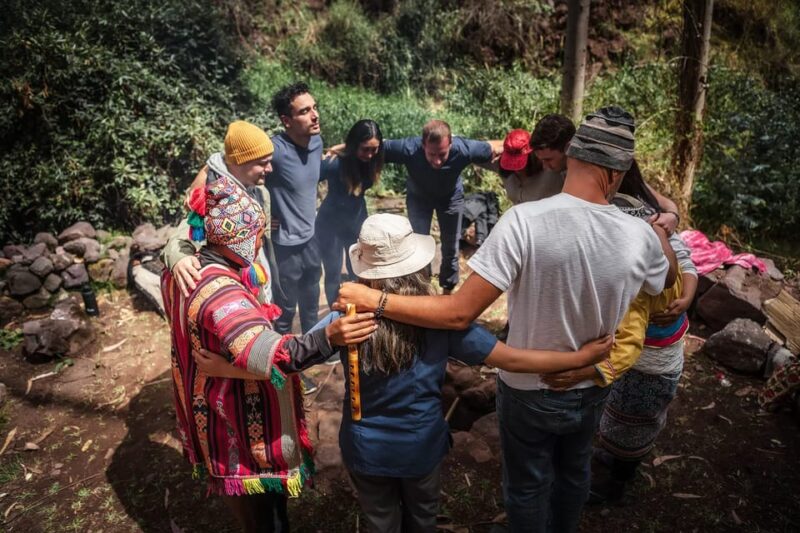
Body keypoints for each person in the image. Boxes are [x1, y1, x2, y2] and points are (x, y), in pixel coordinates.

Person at [335, 106, 678, 533]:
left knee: (528, 484)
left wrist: (375, 298)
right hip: (591, 381)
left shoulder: (525, 221)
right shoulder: (639, 235)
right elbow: (667, 285)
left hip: (527, 389)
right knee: (574, 472)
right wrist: (661, 229)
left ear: (571, 155)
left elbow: (459, 312)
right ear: (619, 171)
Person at [196, 213, 613, 533]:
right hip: (420, 447)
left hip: (365, 449)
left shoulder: (344, 319)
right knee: (423, 515)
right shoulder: (444, 322)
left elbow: (290, 357)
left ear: (363, 269)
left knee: (380, 520)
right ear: (417, 266)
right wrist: (579, 358)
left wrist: (223, 367)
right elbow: (513, 359)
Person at [160, 121, 368, 533]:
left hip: (213, 401)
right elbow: (276, 356)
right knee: (263, 510)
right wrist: (329, 336)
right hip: (236, 416)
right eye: (256, 237)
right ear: (239, 240)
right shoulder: (223, 295)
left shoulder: (197, 270)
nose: (260, 245)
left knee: (258, 506)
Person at [171, 82, 324, 335]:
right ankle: (279, 349)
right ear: (286, 120)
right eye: (305, 111)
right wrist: (197, 192)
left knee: (310, 298)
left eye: (314, 107)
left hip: (308, 239)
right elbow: (228, 159)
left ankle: (309, 344)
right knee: (283, 307)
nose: (314, 115)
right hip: (280, 249)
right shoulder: (272, 152)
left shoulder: (315, 143)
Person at [381, 120, 502, 293]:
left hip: (450, 198)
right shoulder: (408, 148)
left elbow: (494, 147)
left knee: (451, 246)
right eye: (431, 154)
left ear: (451, 144)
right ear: (423, 145)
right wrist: (344, 150)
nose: (437, 161)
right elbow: (373, 146)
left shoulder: (463, 149)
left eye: (442, 154)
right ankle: (424, 290)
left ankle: (447, 291)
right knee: (419, 245)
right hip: (419, 199)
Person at [531, 113, 682, 235]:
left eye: (548, 160)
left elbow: (658, 200)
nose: (545, 167)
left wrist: (672, 216)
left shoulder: (609, 168)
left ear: (568, 148)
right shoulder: (560, 176)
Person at [317, 119, 383, 308]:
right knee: (333, 272)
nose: (369, 154)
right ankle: (335, 311)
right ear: (354, 145)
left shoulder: (373, 159)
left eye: (374, 149)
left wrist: (341, 146)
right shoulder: (335, 164)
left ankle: (357, 308)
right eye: (365, 149)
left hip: (356, 221)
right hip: (330, 224)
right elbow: (303, 181)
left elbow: (388, 145)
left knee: (359, 270)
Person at [492, 128, 565, 204]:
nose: (517, 170)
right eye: (512, 165)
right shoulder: (500, 164)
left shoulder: (553, 169)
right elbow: (484, 149)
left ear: (532, 155)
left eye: (520, 164)